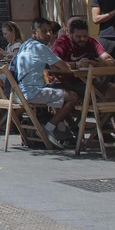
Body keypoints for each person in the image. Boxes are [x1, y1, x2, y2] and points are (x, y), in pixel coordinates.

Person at [15, 18, 79, 147]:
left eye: (50, 31)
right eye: (44, 31)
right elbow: (64, 67)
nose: (49, 34)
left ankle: (62, 131)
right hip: (33, 92)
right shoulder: (40, 48)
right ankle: (48, 129)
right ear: (35, 33)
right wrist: (79, 63)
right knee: (72, 97)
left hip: (20, 92)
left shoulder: (25, 45)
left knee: (57, 89)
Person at [53, 15, 115, 100]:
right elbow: (54, 64)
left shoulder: (91, 42)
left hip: (87, 83)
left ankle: (107, 113)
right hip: (65, 83)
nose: (82, 39)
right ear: (70, 35)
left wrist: (101, 64)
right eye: (78, 36)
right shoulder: (62, 43)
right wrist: (77, 65)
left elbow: (111, 61)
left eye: (85, 36)